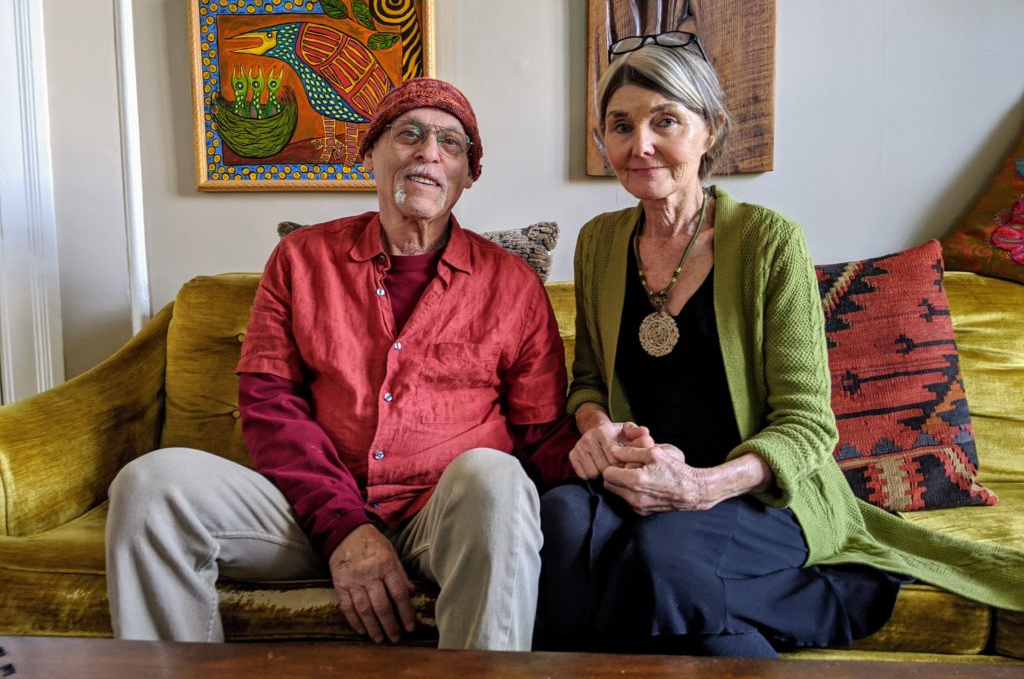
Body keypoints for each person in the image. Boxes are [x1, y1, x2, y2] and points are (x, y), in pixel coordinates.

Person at [533, 33, 1024, 657]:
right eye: (620, 125)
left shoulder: (769, 242)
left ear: (709, 130)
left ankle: (828, 597)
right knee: (559, 524)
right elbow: (589, 381)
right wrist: (595, 425)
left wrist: (702, 487)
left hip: (756, 490)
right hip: (639, 482)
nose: (641, 145)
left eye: (666, 121)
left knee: (660, 560)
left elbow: (807, 425)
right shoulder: (599, 241)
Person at [106, 77, 577, 650]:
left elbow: (541, 430)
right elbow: (269, 405)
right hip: (311, 511)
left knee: (498, 478)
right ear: (370, 151)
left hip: (443, 517)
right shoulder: (301, 260)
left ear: (469, 175)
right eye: (409, 134)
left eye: (451, 144)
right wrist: (343, 527)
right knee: (149, 486)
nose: (429, 151)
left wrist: (613, 456)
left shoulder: (512, 284)